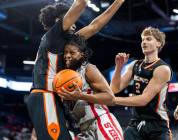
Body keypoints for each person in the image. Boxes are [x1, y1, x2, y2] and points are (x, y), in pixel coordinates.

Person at [25, 0, 125, 139]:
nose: (75, 24)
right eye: (71, 19)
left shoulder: (65, 43)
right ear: (58, 20)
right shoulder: (53, 36)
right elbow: (81, 3)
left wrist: (118, 2)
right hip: (45, 94)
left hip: (51, 97)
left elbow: (94, 26)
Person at [110, 27, 172, 140]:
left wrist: (113, 100)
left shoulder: (162, 68)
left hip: (157, 124)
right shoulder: (134, 65)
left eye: (148, 39)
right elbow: (114, 89)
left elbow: (143, 100)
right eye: (142, 40)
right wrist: (119, 67)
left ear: (158, 43)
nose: (144, 42)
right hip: (136, 122)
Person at [57, 34, 124, 140]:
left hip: (100, 121)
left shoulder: (88, 69)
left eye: (72, 52)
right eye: (65, 52)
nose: (67, 55)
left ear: (82, 55)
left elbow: (110, 99)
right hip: (84, 130)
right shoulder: (64, 76)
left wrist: (81, 96)